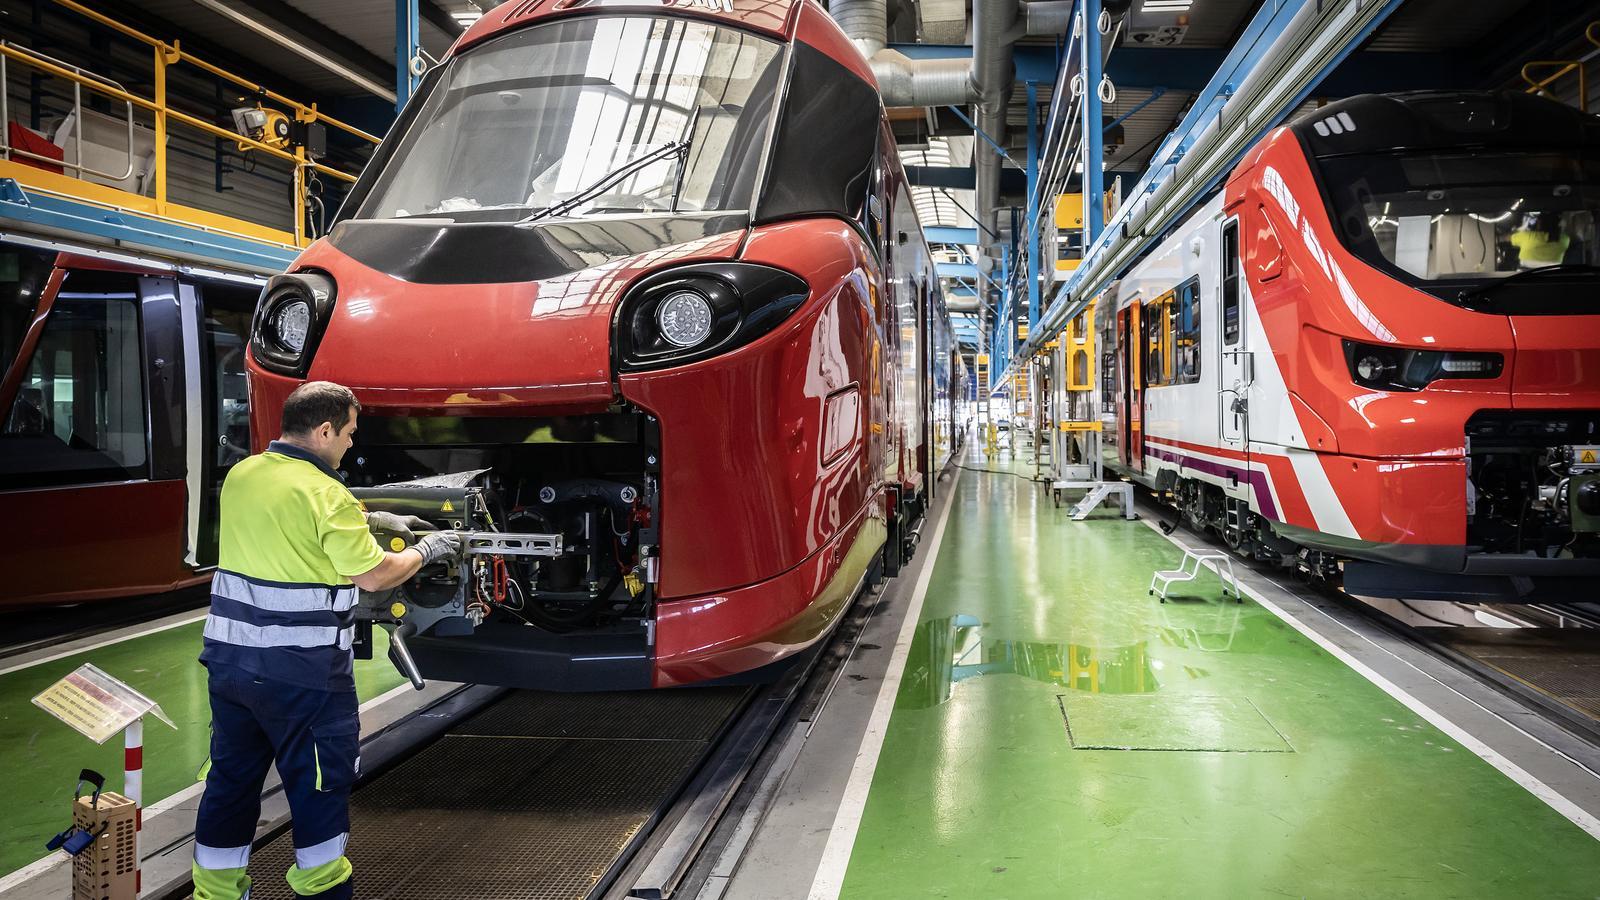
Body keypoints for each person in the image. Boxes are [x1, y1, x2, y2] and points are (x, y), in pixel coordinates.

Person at [191, 381, 461, 900]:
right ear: (324, 429)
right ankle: (321, 891)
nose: (352, 445)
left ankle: (216, 892)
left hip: (230, 668)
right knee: (318, 788)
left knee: (230, 782)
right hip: (304, 676)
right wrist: (430, 548)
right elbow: (376, 575)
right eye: (350, 433)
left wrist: (369, 517)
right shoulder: (328, 494)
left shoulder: (244, 475)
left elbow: (292, 518)